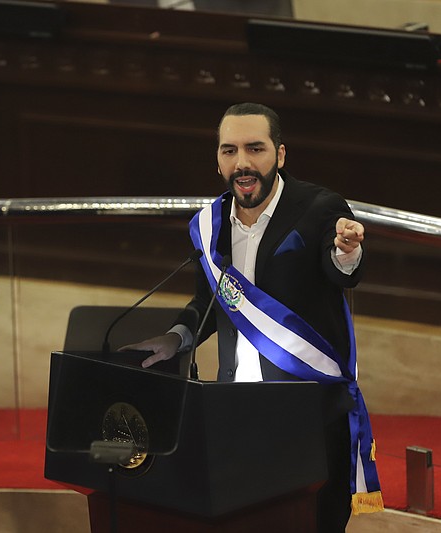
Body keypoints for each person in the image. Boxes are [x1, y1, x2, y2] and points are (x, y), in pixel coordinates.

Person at [122, 102, 382, 532]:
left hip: (307, 416)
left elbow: (340, 270)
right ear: (218, 159)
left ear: (280, 155)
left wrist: (347, 250)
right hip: (233, 413)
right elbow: (210, 300)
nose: (242, 163)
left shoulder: (318, 206)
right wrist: (178, 336)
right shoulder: (212, 223)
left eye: (255, 149)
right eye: (229, 151)